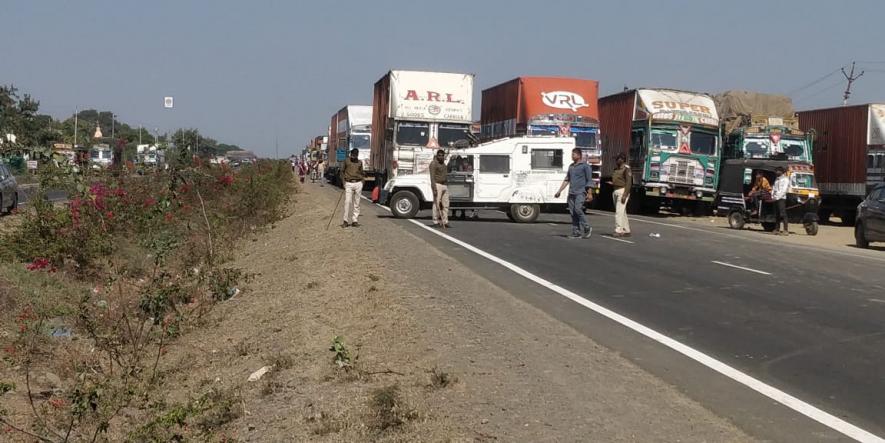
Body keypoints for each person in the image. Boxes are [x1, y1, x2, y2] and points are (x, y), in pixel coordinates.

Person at [555, 148, 594, 238]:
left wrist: (590, 193)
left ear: (579, 155)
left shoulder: (585, 166)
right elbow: (567, 180)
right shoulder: (571, 166)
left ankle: (587, 226)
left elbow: (589, 180)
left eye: (574, 154)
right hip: (571, 193)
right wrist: (559, 191)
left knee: (578, 209)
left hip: (581, 192)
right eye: (572, 154)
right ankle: (576, 231)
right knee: (573, 212)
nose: (572, 156)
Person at [340, 149, 365, 228]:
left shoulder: (360, 162)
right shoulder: (346, 161)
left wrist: (362, 182)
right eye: (352, 155)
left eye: (355, 155)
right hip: (348, 183)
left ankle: (355, 220)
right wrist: (343, 182)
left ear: (357, 155)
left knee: (357, 203)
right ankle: (345, 221)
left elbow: (362, 172)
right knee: (347, 202)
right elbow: (342, 171)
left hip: (358, 183)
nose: (353, 156)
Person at [611, 153, 632, 237]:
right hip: (615, 190)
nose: (616, 161)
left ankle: (618, 230)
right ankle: (626, 230)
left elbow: (629, 183)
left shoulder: (626, 169)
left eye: (618, 159)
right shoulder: (616, 169)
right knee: (622, 212)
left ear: (622, 160)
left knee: (618, 212)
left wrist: (625, 194)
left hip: (622, 191)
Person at [429, 149, 450, 228]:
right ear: (437, 156)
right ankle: (435, 221)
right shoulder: (433, 164)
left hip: (444, 185)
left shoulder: (443, 164)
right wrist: (434, 188)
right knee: (436, 203)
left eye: (442, 155)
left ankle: (445, 221)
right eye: (439, 155)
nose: (441, 157)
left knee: (446, 204)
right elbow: (432, 177)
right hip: (437, 184)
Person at [772, 166, 790, 235]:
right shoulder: (776, 179)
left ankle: (785, 230)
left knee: (783, 214)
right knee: (777, 214)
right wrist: (773, 196)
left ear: (782, 172)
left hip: (781, 199)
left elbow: (784, 190)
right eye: (776, 171)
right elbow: (774, 188)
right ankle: (777, 229)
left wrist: (778, 197)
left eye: (778, 171)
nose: (776, 172)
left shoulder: (785, 179)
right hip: (775, 198)